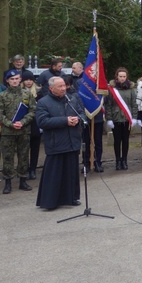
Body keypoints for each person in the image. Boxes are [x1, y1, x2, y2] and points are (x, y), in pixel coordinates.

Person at [35, 77, 83, 210]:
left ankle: (71, 198)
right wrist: (65, 121)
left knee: (71, 173)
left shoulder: (72, 99)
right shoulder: (43, 102)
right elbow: (42, 122)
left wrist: (77, 120)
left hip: (72, 141)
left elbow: (81, 113)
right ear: (51, 88)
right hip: (56, 143)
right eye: (60, 86)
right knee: (54, 175)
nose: (63, 88)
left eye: (64, 86)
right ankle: (50, 201)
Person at [0, 69, 36, 194]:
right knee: (7, 157)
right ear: (7, 81)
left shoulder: (27, 94)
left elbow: (33, 110)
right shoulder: (2, 96)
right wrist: (10, 124)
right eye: (12, 79)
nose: (15, 81)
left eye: (17, 78)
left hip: (23, 130)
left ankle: (23, 180)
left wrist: (22, 122)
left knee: (23, 156)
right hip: (8, 132)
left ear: (20, 79)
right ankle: (8, 182)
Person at [66, 62, 105, 173]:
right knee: (86, 141)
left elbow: (104, 98)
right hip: (85, 116)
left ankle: (97, 162)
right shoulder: (79, 82)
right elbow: (78, 97)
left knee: (98, 140)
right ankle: (86, 163)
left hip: (97, 115)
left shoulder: (100, 83)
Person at [106, 67, 138, 170]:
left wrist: (134, 118)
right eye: (120, 76)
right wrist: (109, 119)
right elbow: (109, 105)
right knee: (117, 141)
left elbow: (134, 104)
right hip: (116, 119)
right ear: (117, 76)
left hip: (126, 118)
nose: (122, 78)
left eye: (124, 76)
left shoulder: (131, 89)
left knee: (125, 141)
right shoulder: (112, 89)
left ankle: (124, 160)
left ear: (127, 77)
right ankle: (117, 161)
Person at [21, 71, 42, 180]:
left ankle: (33, 169)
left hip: (35, 123)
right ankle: (25, 168)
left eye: (30, 80)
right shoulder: (19, 92)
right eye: (26, 80)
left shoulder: (39, 92)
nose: (28, 82)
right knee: (24, 149)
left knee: (35, 148)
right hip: (23, 123)